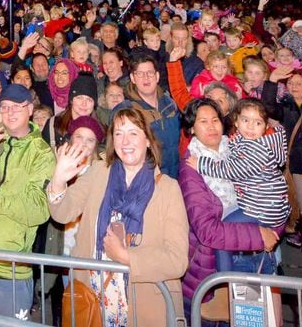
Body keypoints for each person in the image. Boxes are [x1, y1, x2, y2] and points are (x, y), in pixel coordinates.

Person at [47, 106, 188, 327]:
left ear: (148, 141)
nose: (125, 141)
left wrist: (126, 257)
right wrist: (58, 180)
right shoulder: (98, 172)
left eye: (133, 133)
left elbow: (177, 260)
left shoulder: (169, 189)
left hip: (143, 302)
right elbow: (62, 213)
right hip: (92, 299)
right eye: (119, 133)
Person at [179, 99, 279, 320]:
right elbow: (207, 230)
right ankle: (224, 292)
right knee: (224, 318)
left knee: (250, 320)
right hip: (212, 267)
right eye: (202, 121)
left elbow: (270, 195)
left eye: (215, 120)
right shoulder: (191, 168)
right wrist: (258, 234)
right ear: (191, 128)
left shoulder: (239, 149)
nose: (211, 126)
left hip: (252, 257)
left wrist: (273, 231)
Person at [0, 83, 56, 318]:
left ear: (30, 109)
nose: (10, 112)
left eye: (17, 107)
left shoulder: (42, 153)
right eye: (5, 107)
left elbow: (38, 209)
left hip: (8, 269)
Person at [194, 98, 290, 273]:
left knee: (223, 234)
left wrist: (200, 163)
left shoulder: (257, 148)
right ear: (236, 121)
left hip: (261, 208)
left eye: (258, 122)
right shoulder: (242, 141)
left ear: (265, 127)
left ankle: (226, 278)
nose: (251, 127)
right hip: (264, 205)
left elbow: (231, 170)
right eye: (246, 120)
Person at [122, 57, 181, 178]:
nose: (146, 77)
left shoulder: (170, 103)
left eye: (150, 73)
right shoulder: (128, 111)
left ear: (157, 76)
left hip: (178, 175)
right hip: (151, 178)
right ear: (133, 78)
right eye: (140, 74)